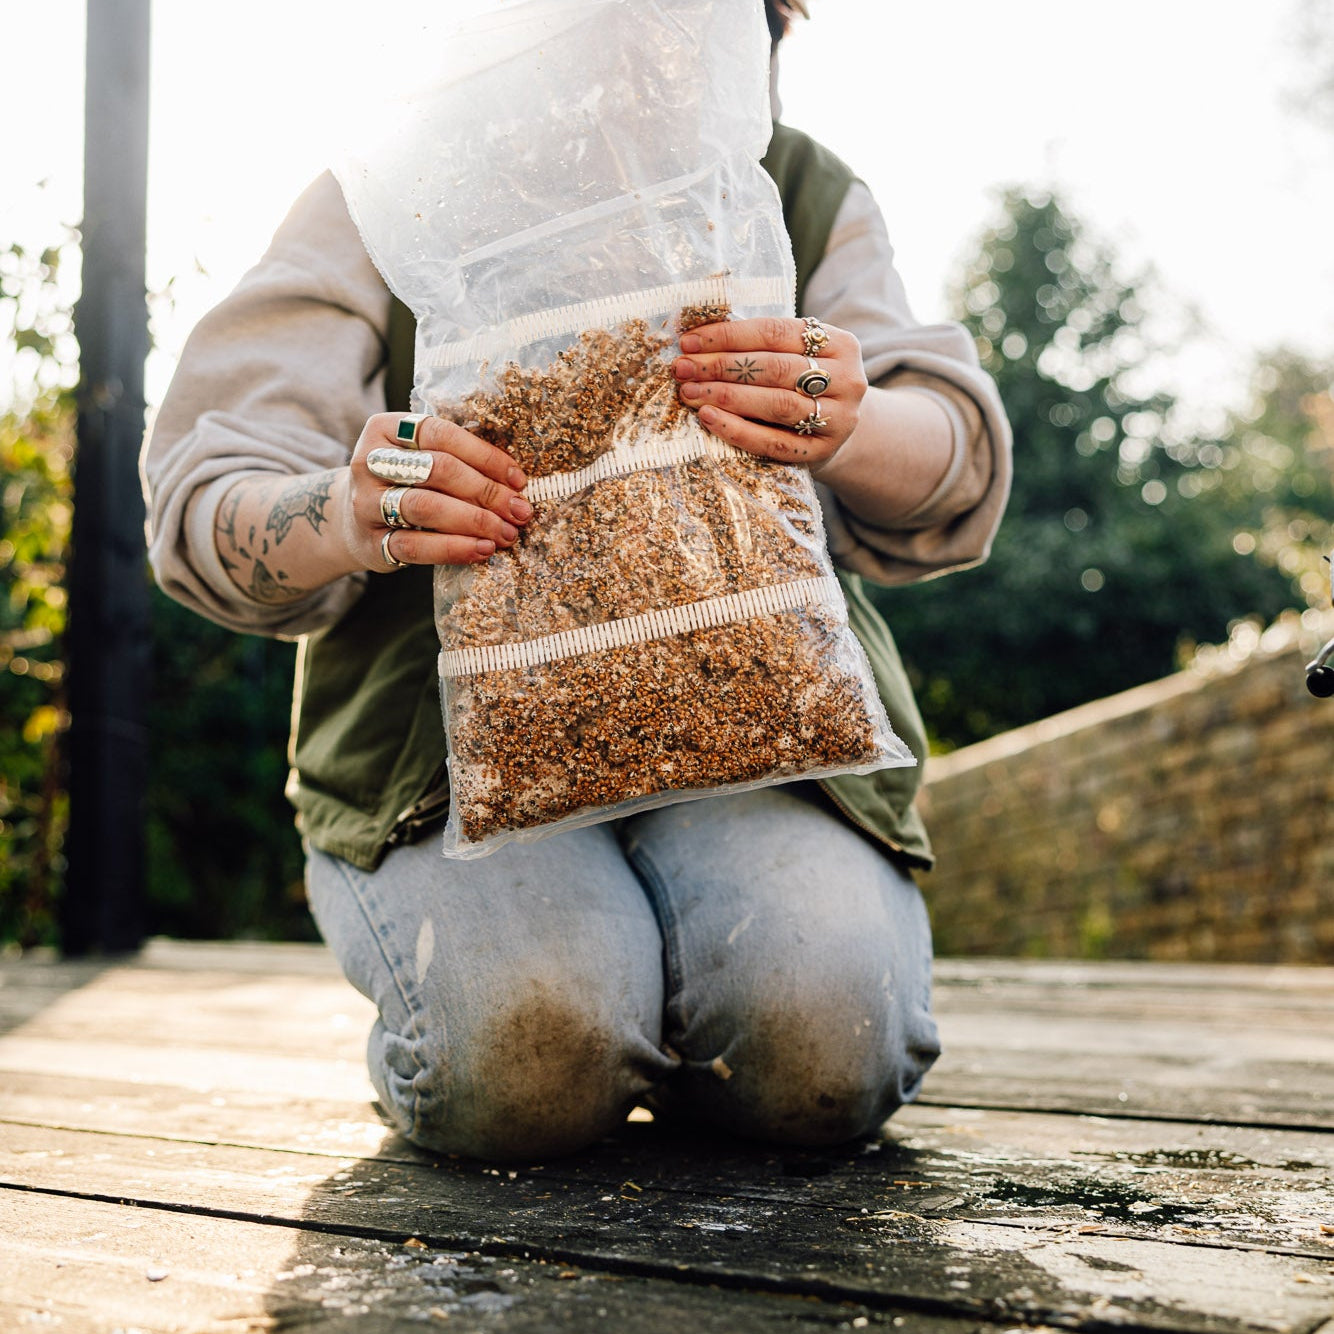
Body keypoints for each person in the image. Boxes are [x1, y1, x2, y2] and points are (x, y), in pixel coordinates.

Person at [143, 0, 1012, 1160]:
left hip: (760, 717)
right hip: (443, 756)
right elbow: (206, 499)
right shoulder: (381, 181)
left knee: (823, 1045)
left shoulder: (797, 186)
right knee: (526, 1058)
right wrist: (351, 511)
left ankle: (685, 1029)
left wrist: (843, 417)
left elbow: (950, 452)